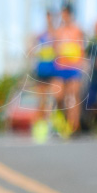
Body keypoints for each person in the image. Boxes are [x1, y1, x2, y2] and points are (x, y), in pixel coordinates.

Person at [53, 5, 86, 137]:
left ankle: (74, 126)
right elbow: (55, 48)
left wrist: (81, 63)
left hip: (74, 68)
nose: (63, 17)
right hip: (61, 68)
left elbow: (81, 47)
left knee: (73, 97)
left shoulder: (77, 30)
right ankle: (61, 122)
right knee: (59, 96)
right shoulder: (58, 31)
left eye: (65, 14)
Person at [30, 12, 61, 142]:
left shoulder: (57, 34)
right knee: (41, 100)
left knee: (54, 99)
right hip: (41, 70)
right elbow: (31, 50)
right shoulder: (40, 35)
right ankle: (40, 127)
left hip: (54, 70)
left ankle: (53, 126)